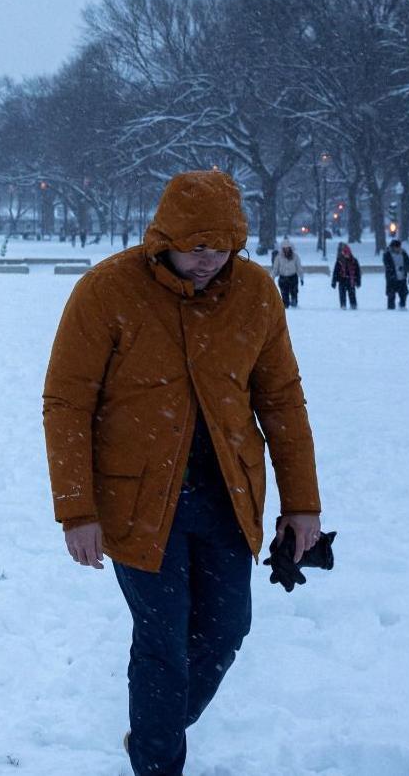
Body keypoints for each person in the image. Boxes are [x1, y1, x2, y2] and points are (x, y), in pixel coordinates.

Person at [43, 170, 323, 776]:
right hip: (138, 504)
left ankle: (153, 730)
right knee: (163, 644)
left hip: (227, 498)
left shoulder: (255, 292)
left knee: (226, 632)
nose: (208, 261)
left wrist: (303, 505)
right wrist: (77, 510)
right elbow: (67, 404)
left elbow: (281, 401)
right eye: (196, 247)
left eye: (221, 248)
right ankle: (157, 762)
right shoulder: (107, 290)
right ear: (163, 236)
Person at [269, 241, 304, 308]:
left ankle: (294, 303)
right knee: (284, 294)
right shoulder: (278, 257)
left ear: (290, 248)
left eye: (288, 248)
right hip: (283, 278)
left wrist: (301, 278)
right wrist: (272, 278)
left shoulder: (295, 257)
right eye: (284, 248)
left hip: (293, 277)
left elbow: (299, 268)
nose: (286, 250)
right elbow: (275, 269)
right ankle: (286, 305)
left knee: (294, 292)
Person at [382, 239, 409, 309]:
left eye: (399, 247)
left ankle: (402, 306)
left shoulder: (403, 253)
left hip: (402, 278)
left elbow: (408, 263)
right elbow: (387, 265)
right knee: (391, 294)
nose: (398, 249)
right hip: (391, 278)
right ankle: (391, 308)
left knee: (403, 293)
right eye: (396, 247)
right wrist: (396, 269)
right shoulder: (387, 254)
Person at [332, 242, 362, 309]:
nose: (346, 255)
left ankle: (353, 305)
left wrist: (358, 281)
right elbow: (335, 272)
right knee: (342, 294)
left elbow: (358, 272)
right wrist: (334, 282)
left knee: (352, 294)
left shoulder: (354, 261)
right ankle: (343, 305)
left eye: (347, 253)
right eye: (344, 253)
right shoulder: (339, 261)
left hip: (351, 280)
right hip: (342, 280)